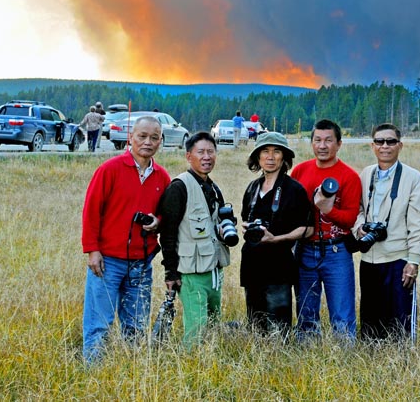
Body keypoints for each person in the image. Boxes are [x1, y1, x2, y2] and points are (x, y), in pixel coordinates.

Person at [81, 116, 170, 363]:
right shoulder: (109, 169)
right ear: (131, 136)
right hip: (108, 261)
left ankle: (132, 373)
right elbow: (91, 210)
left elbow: (166, 213)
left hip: (141, 263)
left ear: (160, 141)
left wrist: (158, 222)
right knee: (99, 323)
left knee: (137, 325)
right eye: (142, 136)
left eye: (154, 137)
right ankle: (93, 374)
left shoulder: (162, 177)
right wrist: (92, 250)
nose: (148, 142)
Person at [353, 123, 420, 340]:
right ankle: (374, 366)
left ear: (400, 145)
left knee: (400, 324)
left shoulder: (413, 178)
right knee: (370, 323)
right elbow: (357, 209)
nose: (384, 146)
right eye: (379, 141)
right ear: (372, 145)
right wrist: (360, 228)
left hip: (398, 259)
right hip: (369, 258)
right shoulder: (366, 174)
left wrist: (413, 261)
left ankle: (403, 367)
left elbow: (418, 224)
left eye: (390, 141)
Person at [157, 132, 232, 346]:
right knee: (196, 328)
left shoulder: (213, 187)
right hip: (191, 273)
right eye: (201, 152)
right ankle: (192, 365)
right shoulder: (179, 187)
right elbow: (168, 234)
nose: (207, 157)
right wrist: (171, 272)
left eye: (211, 152)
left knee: (213, 324)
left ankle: (209, 363)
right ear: (189, 156)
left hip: (214, 270)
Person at [292, 119, 361, 340]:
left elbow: (350, 220)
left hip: (336, 251)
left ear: (339, 144)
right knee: (305, 311)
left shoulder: (349, 176)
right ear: (311, 143)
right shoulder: (300, 171)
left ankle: (344, 358)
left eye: (328, 140)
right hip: (305, 249)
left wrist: (327, 209)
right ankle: (306, 357)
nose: (323, 146)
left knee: (342, 313)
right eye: (318, 140)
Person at [240, 131, 312, 335]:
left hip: (278, 265)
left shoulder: (294, 189)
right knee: (255, 322)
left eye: (276, 151)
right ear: (258, 157)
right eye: (265, 151)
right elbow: (246, 218)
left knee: (279, 328)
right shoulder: (252, 188)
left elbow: (308, 229)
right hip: (253, 263)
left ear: (284, 157)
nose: (270, 157)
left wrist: (277, 239)